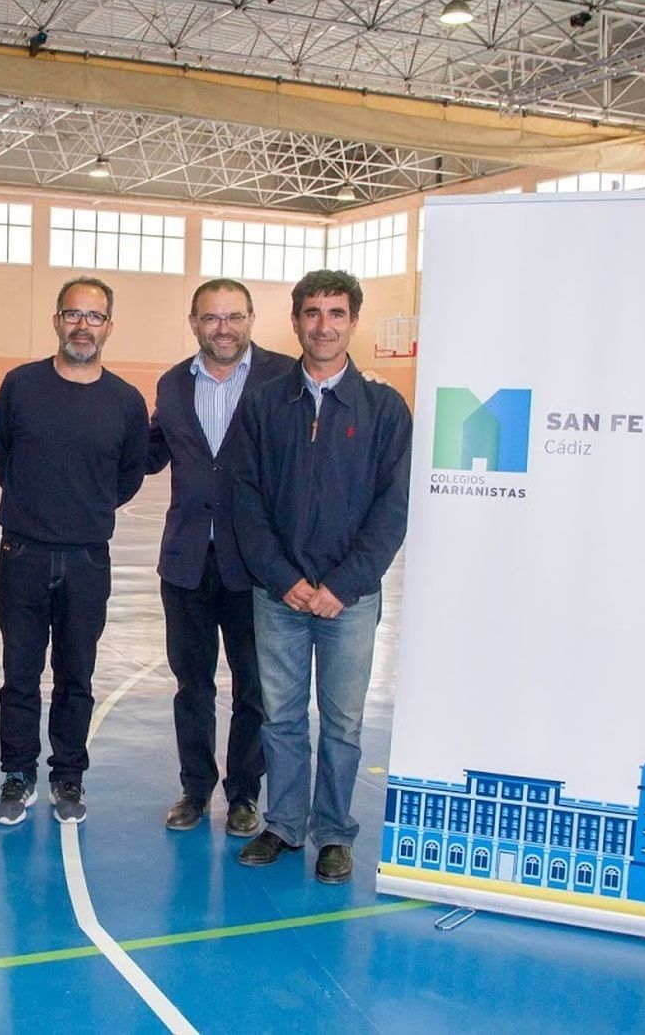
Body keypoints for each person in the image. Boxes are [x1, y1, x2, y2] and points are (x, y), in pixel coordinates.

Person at [232, 269, 411, 884]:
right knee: (280, 718)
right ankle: (282, 825)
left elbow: (393, 509)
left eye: (336, 313)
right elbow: (245, 500)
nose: (323, 325)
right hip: (278, 594)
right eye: (312, 313)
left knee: (342, 723)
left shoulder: (384, 408)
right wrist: (282, 578)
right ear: (296, 320)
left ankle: (333, 833)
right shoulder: (263, 405)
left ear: (354, 321)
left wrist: (344, 585)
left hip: (350, 601)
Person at [0, 276, 148, 825]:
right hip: (23, 553)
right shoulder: (20, 385)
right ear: (57, 321)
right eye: (73, 314)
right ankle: (17, 774)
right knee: (19, 673)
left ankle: (68, 777)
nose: (83, 326)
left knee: (76, 674)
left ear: (109, 326)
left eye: (95, 316)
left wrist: (87, 507)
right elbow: (1, 457)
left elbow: (129, 476)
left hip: (87, 559)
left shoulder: (126, 401)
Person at [148, 279, 292, 836]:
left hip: (255, 563)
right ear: (193, 322)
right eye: (211, 318)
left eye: (233, 316)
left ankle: (244, 795)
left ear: (251, 318)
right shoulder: (172, 382)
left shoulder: (284, 376)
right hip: (186, 560)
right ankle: (194, 788)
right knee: (192, 684)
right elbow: (154, 449)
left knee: (254, 687)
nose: (223, 328)